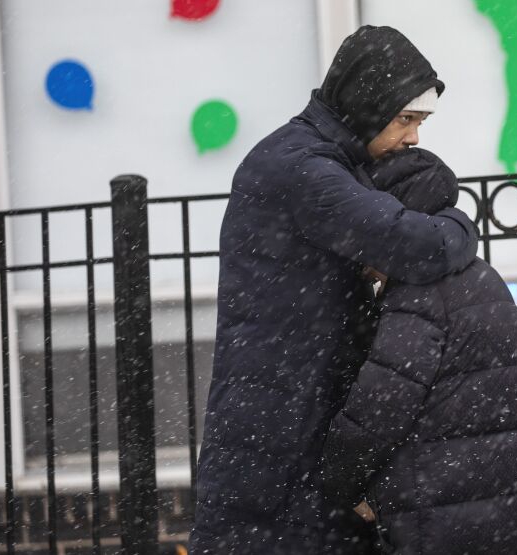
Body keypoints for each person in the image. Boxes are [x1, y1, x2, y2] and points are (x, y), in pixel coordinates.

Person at [189, 26, 479, 554]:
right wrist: (460, 223)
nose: (414, 137)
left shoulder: (316, 159)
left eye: (420, 121)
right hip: (282, 431)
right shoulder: (305, 169)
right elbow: (417, 245)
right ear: (369, 107)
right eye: (406, 119)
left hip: (290, 418)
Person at [321, 148, 517, 554]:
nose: (357, 258)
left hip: (445, 517)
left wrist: (337, 482)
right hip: (501, 508)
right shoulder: (477, 276)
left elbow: (378, 409)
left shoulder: (420, 294)